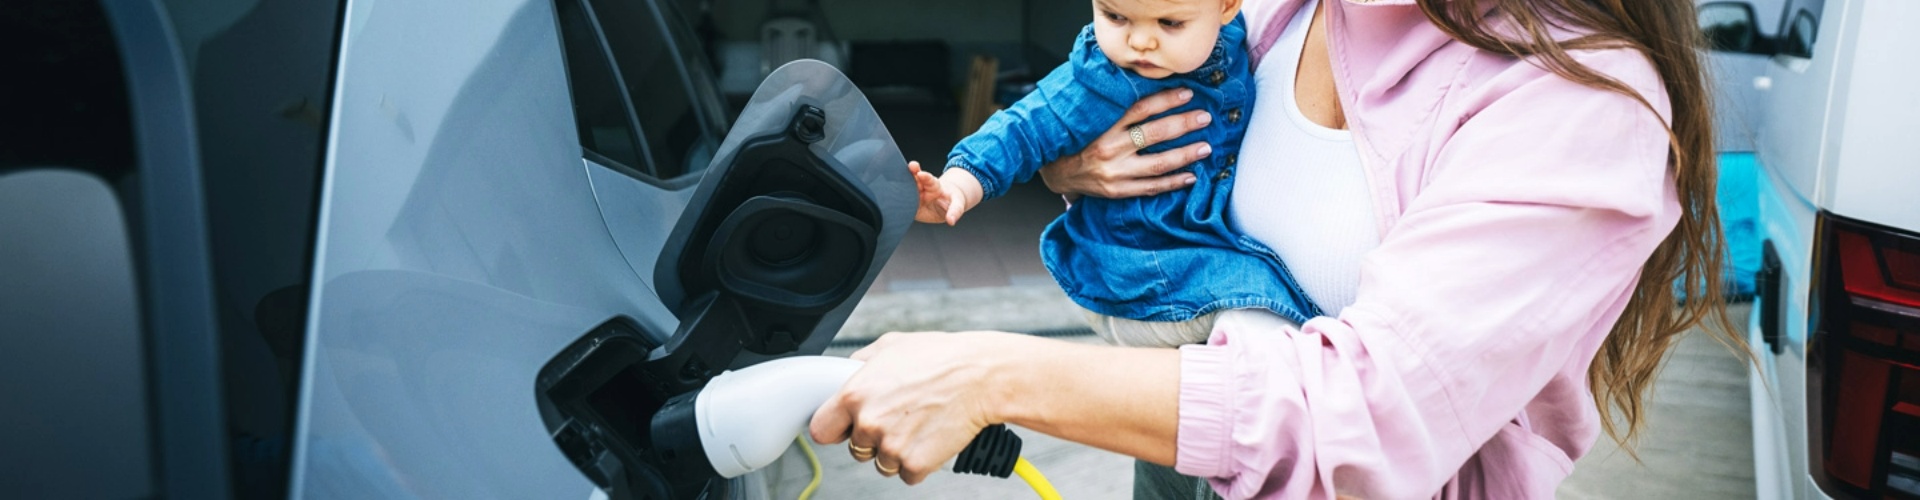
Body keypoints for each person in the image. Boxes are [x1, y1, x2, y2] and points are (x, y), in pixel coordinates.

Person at [810, 0, 1740, 497]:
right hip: (1177, 460)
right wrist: (1077, 165)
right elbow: (1115, 96)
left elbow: (1365, 421)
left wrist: (989, 373)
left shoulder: (1579, 99)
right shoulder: (1279, 11)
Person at [912, 0, 1321, 347]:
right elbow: (1021, 129)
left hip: (1192, 254)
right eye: (1115, 17)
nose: (1140, 42)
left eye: (1170, 23)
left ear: (1228, 6)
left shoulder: (1232, 36)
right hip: (1143, 264)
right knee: (1264, 303)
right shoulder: (1102, 78)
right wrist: (957, 186)